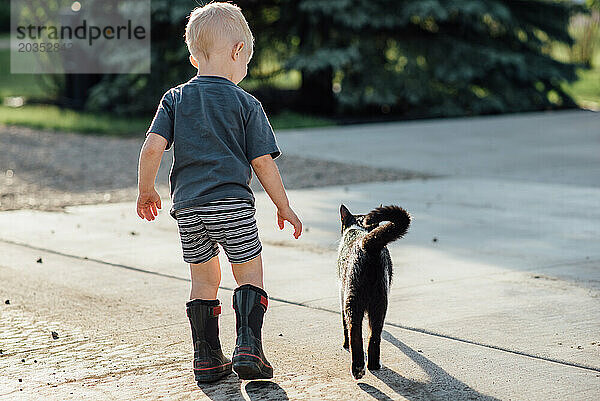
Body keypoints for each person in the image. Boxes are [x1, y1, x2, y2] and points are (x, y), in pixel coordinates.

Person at [136, 2, 302, 382]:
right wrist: (284, 206)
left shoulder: (174, 99)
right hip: (232, 205)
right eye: (247, 62)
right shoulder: (246, 103)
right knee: (249, 276)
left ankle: (207, 358)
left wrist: (146, 189)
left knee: (203, 280)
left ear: (194, 56)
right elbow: (262, 163)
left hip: (189, 208)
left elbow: (151, 148)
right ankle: (249, 349)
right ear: (238, 51)